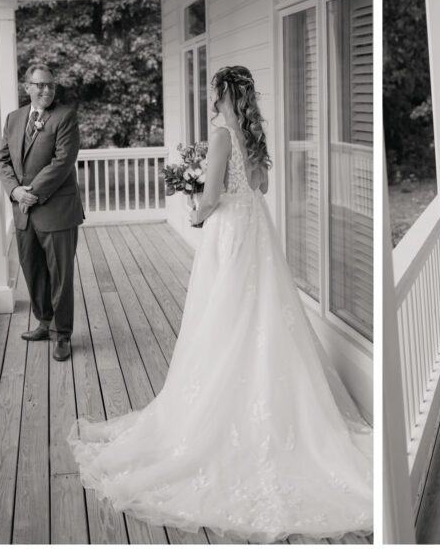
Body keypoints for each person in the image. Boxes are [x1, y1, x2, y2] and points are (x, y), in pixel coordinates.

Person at [68, 66, 372, 542]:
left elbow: (212, 196)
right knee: (263, 316)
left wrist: (196, 209)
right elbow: (262, 187)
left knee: (223, 317)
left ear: (219, 95)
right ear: (247, 96)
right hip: (258, 232)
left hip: (229, 234)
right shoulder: (255, 135)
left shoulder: (221, 135)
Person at [0, 64, 84, 362]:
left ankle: (62, 335)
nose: (46, 90)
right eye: (40, 85)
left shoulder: (65, 117)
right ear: (27, 87)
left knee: (60, 276)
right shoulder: (14, 118)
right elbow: (3, 160)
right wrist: (14, 191)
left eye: (50, 85)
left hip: (57, 210)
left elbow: (63, 162)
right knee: (33, 272)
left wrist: (30, 192)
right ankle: (45, 323)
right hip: (24, 212)